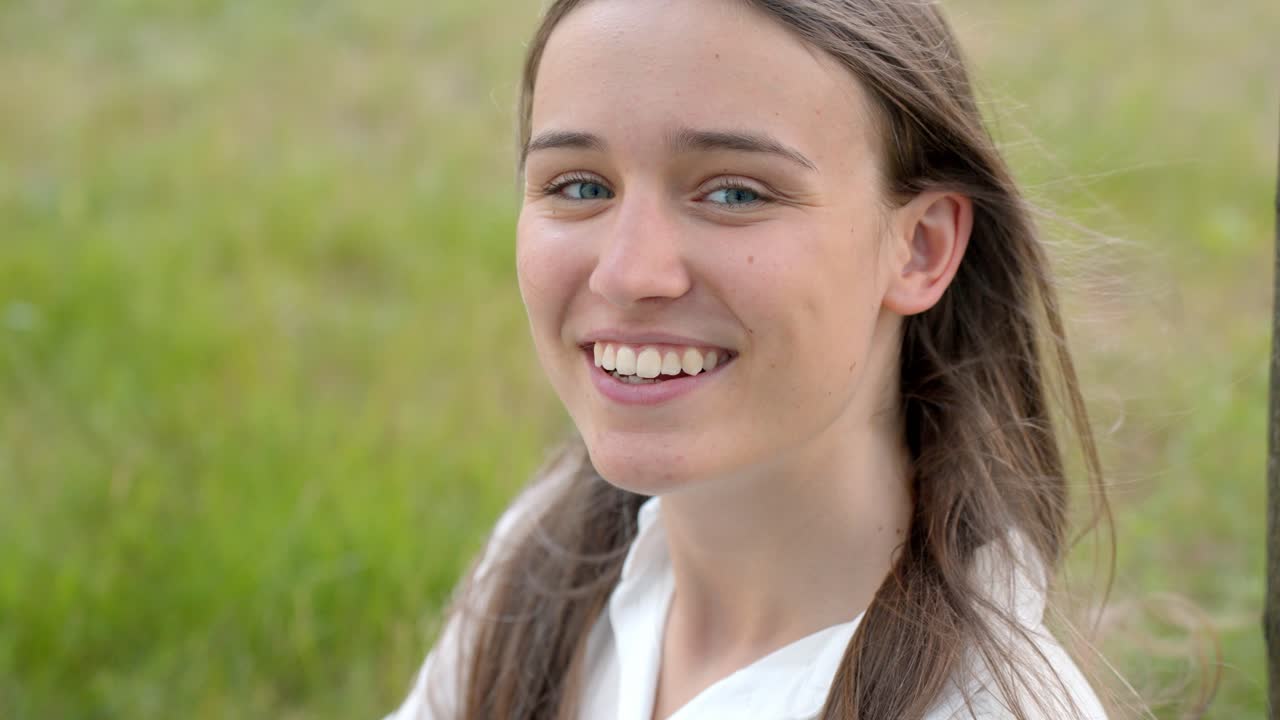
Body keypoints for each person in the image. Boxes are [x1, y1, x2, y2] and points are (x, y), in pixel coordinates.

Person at [390, 0, 1123, 717]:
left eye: (735, 192)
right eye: (580, 186)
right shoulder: (547, 552)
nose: (627, 273)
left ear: (920, 248)